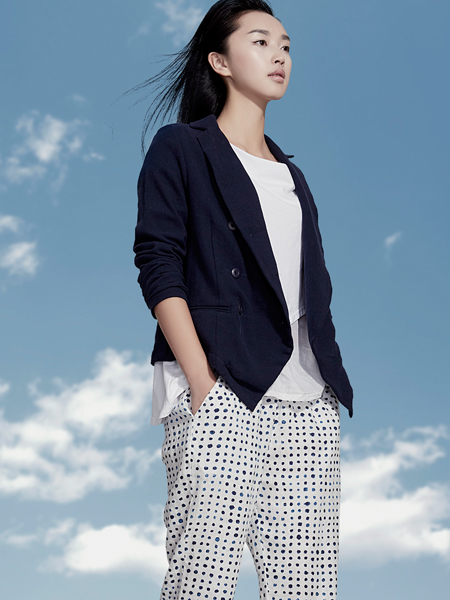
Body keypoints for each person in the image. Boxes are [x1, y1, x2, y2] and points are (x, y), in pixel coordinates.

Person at [132, 1, 353, 598]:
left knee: (307, 589)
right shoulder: (182, 147)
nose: (279, 55)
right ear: (219, 61)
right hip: (222, 387)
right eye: (260, 41)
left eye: (286, 45)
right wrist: (201, 383)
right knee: (202, 582)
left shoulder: (292, 175)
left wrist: (329, 387)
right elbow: (159, 262)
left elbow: (310, 292)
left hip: (308, 400)